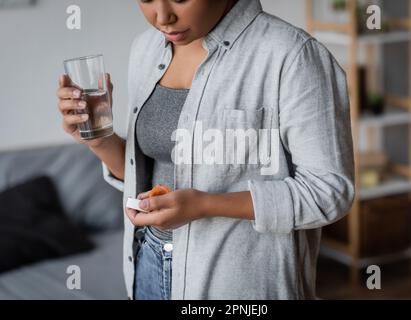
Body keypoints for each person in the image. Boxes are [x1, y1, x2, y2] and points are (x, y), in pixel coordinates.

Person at [56, 0, 355, 300]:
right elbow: (143, 172)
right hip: (146, 264)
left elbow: (329, 192)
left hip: (238, 286)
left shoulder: (291, 55)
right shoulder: (145, 50)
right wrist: (100, 142)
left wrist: (206, 205)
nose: (162, 17)